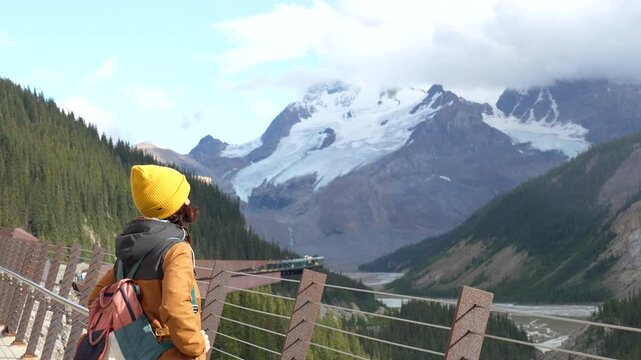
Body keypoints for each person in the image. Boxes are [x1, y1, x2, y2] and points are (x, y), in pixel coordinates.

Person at [88, 165, 211, 359]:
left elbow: (95, 300)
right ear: (173, 206)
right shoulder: (176, 250)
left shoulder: (129, 249)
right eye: (183, 196)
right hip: (166, 353)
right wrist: (197, 345)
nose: (188, 200)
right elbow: (176, 307)